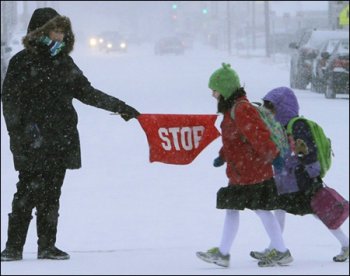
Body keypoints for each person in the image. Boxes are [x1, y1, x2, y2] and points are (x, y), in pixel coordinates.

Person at [1, 7, 140, 262]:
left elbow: (87, 92)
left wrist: (120, 107)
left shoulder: (63, 62)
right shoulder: (22, 62)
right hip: (32, 140)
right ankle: (12, 248)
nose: (61, 35)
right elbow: (10, 102)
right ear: (42, 31)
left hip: (59, 139)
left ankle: (47, 246)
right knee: (26, 192)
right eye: (56, 29)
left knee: (52, 194)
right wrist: (19, 133)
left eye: (63, 30)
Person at [196, 63, 293, 268]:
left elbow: (259, 136)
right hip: (241, 170)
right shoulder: (232, 109)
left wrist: (274, 156)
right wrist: (222, 156)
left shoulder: (242, 109)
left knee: (260, 209)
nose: (213, 94)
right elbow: (234, 139)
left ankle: (281, 251)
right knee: (237, 208)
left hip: (252, 170)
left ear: (225, 89)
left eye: (215, 90)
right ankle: (223, 253)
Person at [250, 86, 349, 262]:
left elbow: (308, 153)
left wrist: (308, 171)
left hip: (303, 182)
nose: (269, 112)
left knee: (322, 212)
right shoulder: (281, 126)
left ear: (282, 107)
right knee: (280, 210)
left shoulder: (297, 125)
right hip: (288, 180)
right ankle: (276, 248)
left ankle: (346, 244)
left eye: (270, 107)